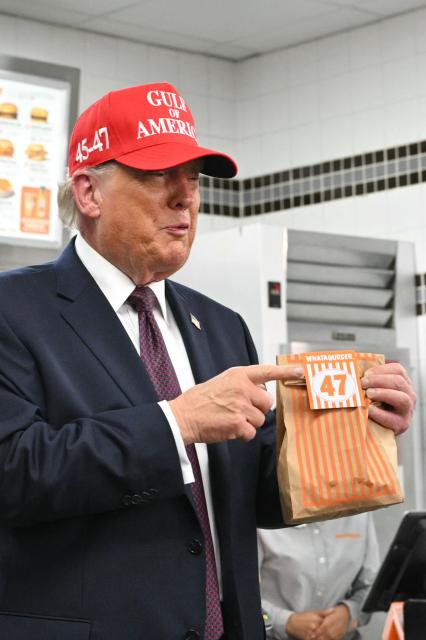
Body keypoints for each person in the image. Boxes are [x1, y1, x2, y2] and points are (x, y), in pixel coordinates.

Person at [0, 82, 415, 640]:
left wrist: (356, 430)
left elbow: (259, 495)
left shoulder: (220, 326)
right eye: (156, 176)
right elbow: (14, 473)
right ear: (89, 193)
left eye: (193, 179)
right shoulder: (16, 311)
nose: (186, 198)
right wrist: (177, 423)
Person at [258, 513, 380, 640]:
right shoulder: (259, 519)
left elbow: (374, 584)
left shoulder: (359, 511)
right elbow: (241, 599)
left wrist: (349, 613)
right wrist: (285, 622)